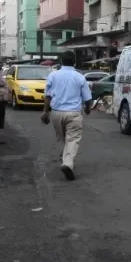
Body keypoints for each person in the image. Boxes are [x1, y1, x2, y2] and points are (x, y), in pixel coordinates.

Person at [41, 51, 92, 181]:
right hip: (73, 113)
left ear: (61, 61)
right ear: (74, 62)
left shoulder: (53, 75)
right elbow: (87, 98)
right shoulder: (80, 77)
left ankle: (65, 158)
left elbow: (47, 96)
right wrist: (87, 108)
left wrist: (45, 111)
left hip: (57, 113)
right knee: (72, 138)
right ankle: (67, 163)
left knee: (63, 138)